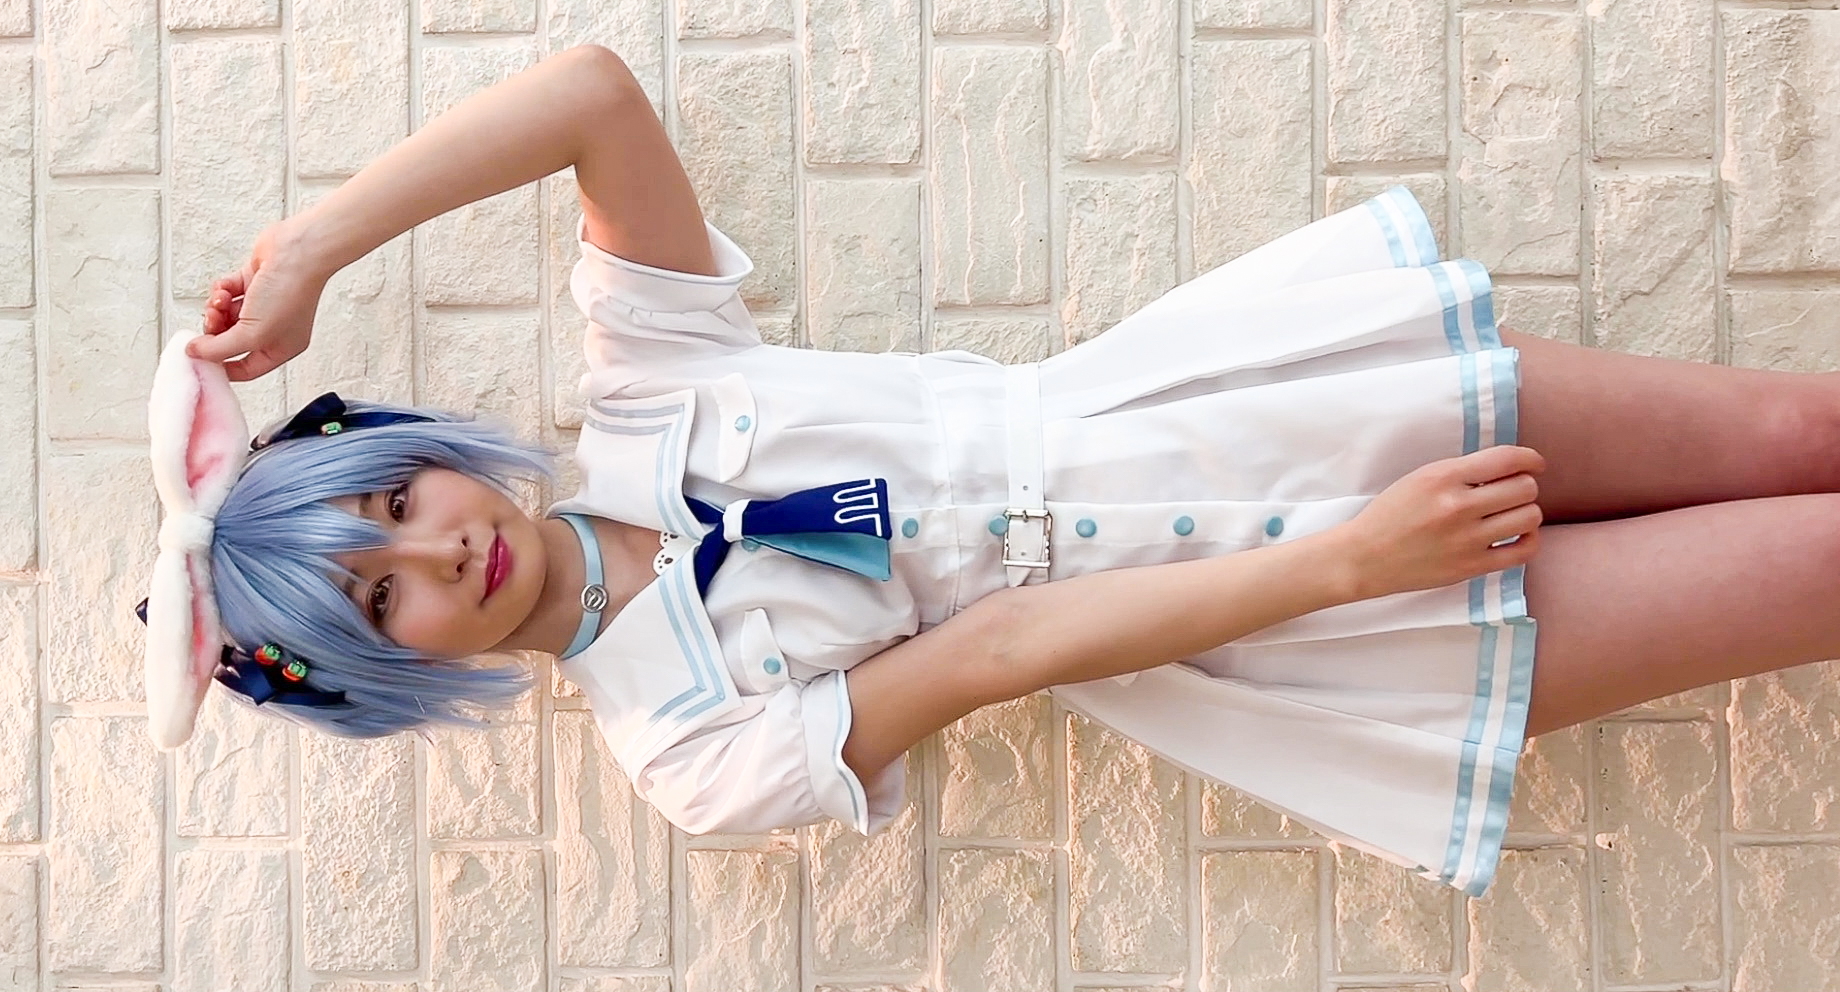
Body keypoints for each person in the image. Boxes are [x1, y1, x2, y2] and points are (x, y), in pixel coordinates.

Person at [146, 44, 1840, 899]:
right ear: (386, 674)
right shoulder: (689, 754)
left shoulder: (652, 383)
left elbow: (591, 95)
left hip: (1267, 416)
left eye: (391, 506)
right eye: (381, 600)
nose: (439, 554)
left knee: (1802, 438)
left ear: (406, 451)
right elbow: (1004, 648)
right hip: (1306, 629)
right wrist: (1356, 566)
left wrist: (318, 247)